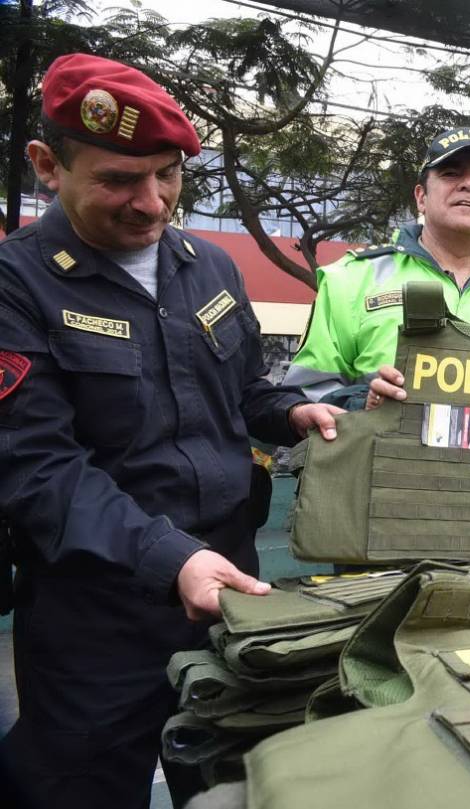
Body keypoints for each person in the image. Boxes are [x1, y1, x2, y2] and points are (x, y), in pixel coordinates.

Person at [0, 55, 341, 809]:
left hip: (232, 583)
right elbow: (37, 467)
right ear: (48, 165)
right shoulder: (16, 283)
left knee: (235, 779)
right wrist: (170, 557)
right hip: (98, 612)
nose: (151, 203)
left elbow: (243, 387)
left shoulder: (208, 266)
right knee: (79, 784)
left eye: (168, 175)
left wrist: (290, 412)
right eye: (120, 180)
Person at [286, 128, 470, 439]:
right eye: (450, 173)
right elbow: (304, 394)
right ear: (421, 197)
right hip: (381, 480)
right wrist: (360, 404)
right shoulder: (351, 279)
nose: (469, 184)